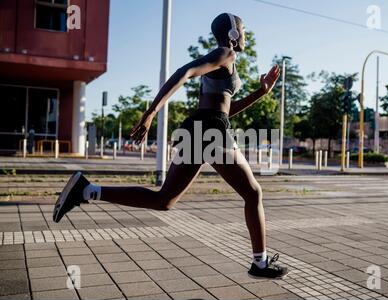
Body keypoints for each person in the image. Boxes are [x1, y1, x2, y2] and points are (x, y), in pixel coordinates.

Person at [53, 13, 288, 279]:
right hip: (212, 130)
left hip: (203, 128)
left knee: (164, 200)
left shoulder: (221, 60)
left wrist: (261, 93)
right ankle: (260, 263)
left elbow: (225, 109)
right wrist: (151, 112)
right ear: (233, 33)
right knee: (254, 193)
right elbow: (183, 72)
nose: (246, 35)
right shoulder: (226, 54)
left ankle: (87, 191)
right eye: (243, 30)